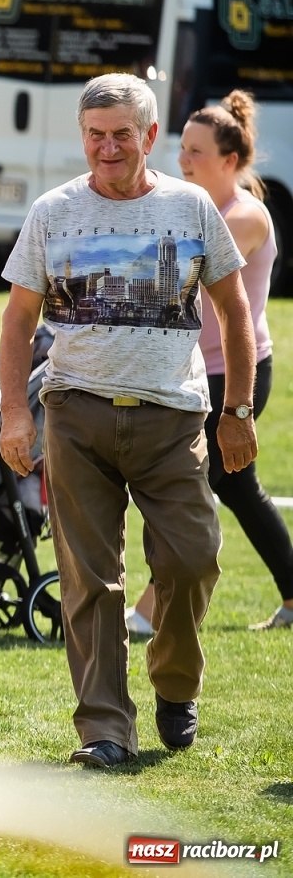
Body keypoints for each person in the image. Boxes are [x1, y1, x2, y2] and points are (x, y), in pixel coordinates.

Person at [0, 73, 257, 768]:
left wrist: (237, 411)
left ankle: (175, 684)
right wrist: (15, 413)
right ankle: (106, 732)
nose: (107, 149)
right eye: (94, 135)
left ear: (148, 137)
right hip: (76, 413)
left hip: (173, 417)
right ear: (82, 137)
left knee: (192, 560)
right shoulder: (53, 211)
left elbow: (236, 314)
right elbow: (20, 319)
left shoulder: (192, 206)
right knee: (90, 581)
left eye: (121, 135)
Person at [126, 91, 293, 636]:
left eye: (196, 151)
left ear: (230, 161)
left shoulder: (245, 217)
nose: (182, 161)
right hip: (193, 370)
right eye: (181, 148)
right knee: (237, 488)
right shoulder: (191, 204)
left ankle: (151, 611)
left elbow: (171, 273)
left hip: (236, 375)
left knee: (195, 478)